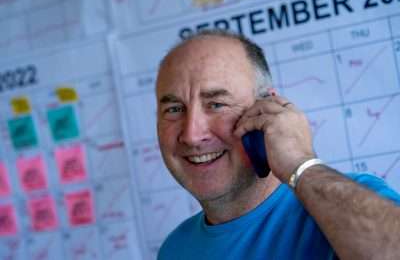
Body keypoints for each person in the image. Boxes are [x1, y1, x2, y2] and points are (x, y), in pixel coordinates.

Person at [155, 29, 400, 260]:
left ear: (267, 109)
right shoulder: (174, 248)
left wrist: (301, 166)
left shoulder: (357, 203)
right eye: (174, 109)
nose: (192, 135)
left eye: (217, 104)